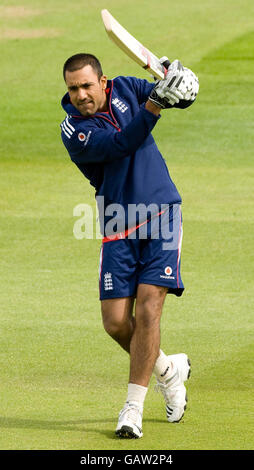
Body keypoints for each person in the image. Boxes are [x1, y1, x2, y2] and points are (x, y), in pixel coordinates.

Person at [60, 53, 199, 438]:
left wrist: (179, 81)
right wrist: (157, 103)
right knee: (117, 323)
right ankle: (169, 370)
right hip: (119, 224)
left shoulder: (125, 86)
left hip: (162, 213)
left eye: (87, 85)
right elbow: (122, 143)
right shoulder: (74, 130)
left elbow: (175, 96)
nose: (81, 95)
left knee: (150, 305)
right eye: (73, 88)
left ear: (102, 82)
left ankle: (131, 411)